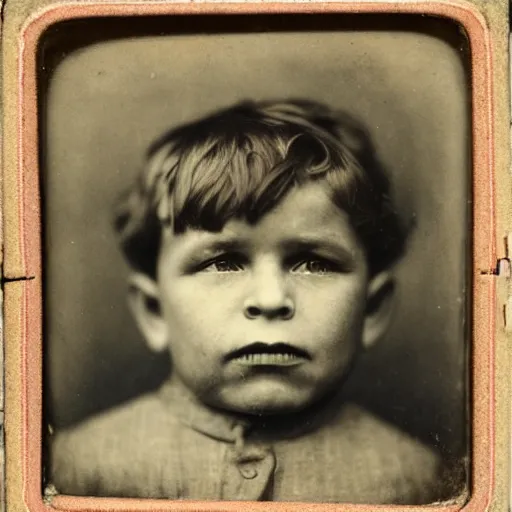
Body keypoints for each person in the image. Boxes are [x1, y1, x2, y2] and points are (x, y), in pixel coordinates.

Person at [50, 99, 450, 504]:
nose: (271, 299)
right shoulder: (77, 467)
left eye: (314, 263)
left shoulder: (416, 479)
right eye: (223, 262)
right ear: (154, 312)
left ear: (372, 309)